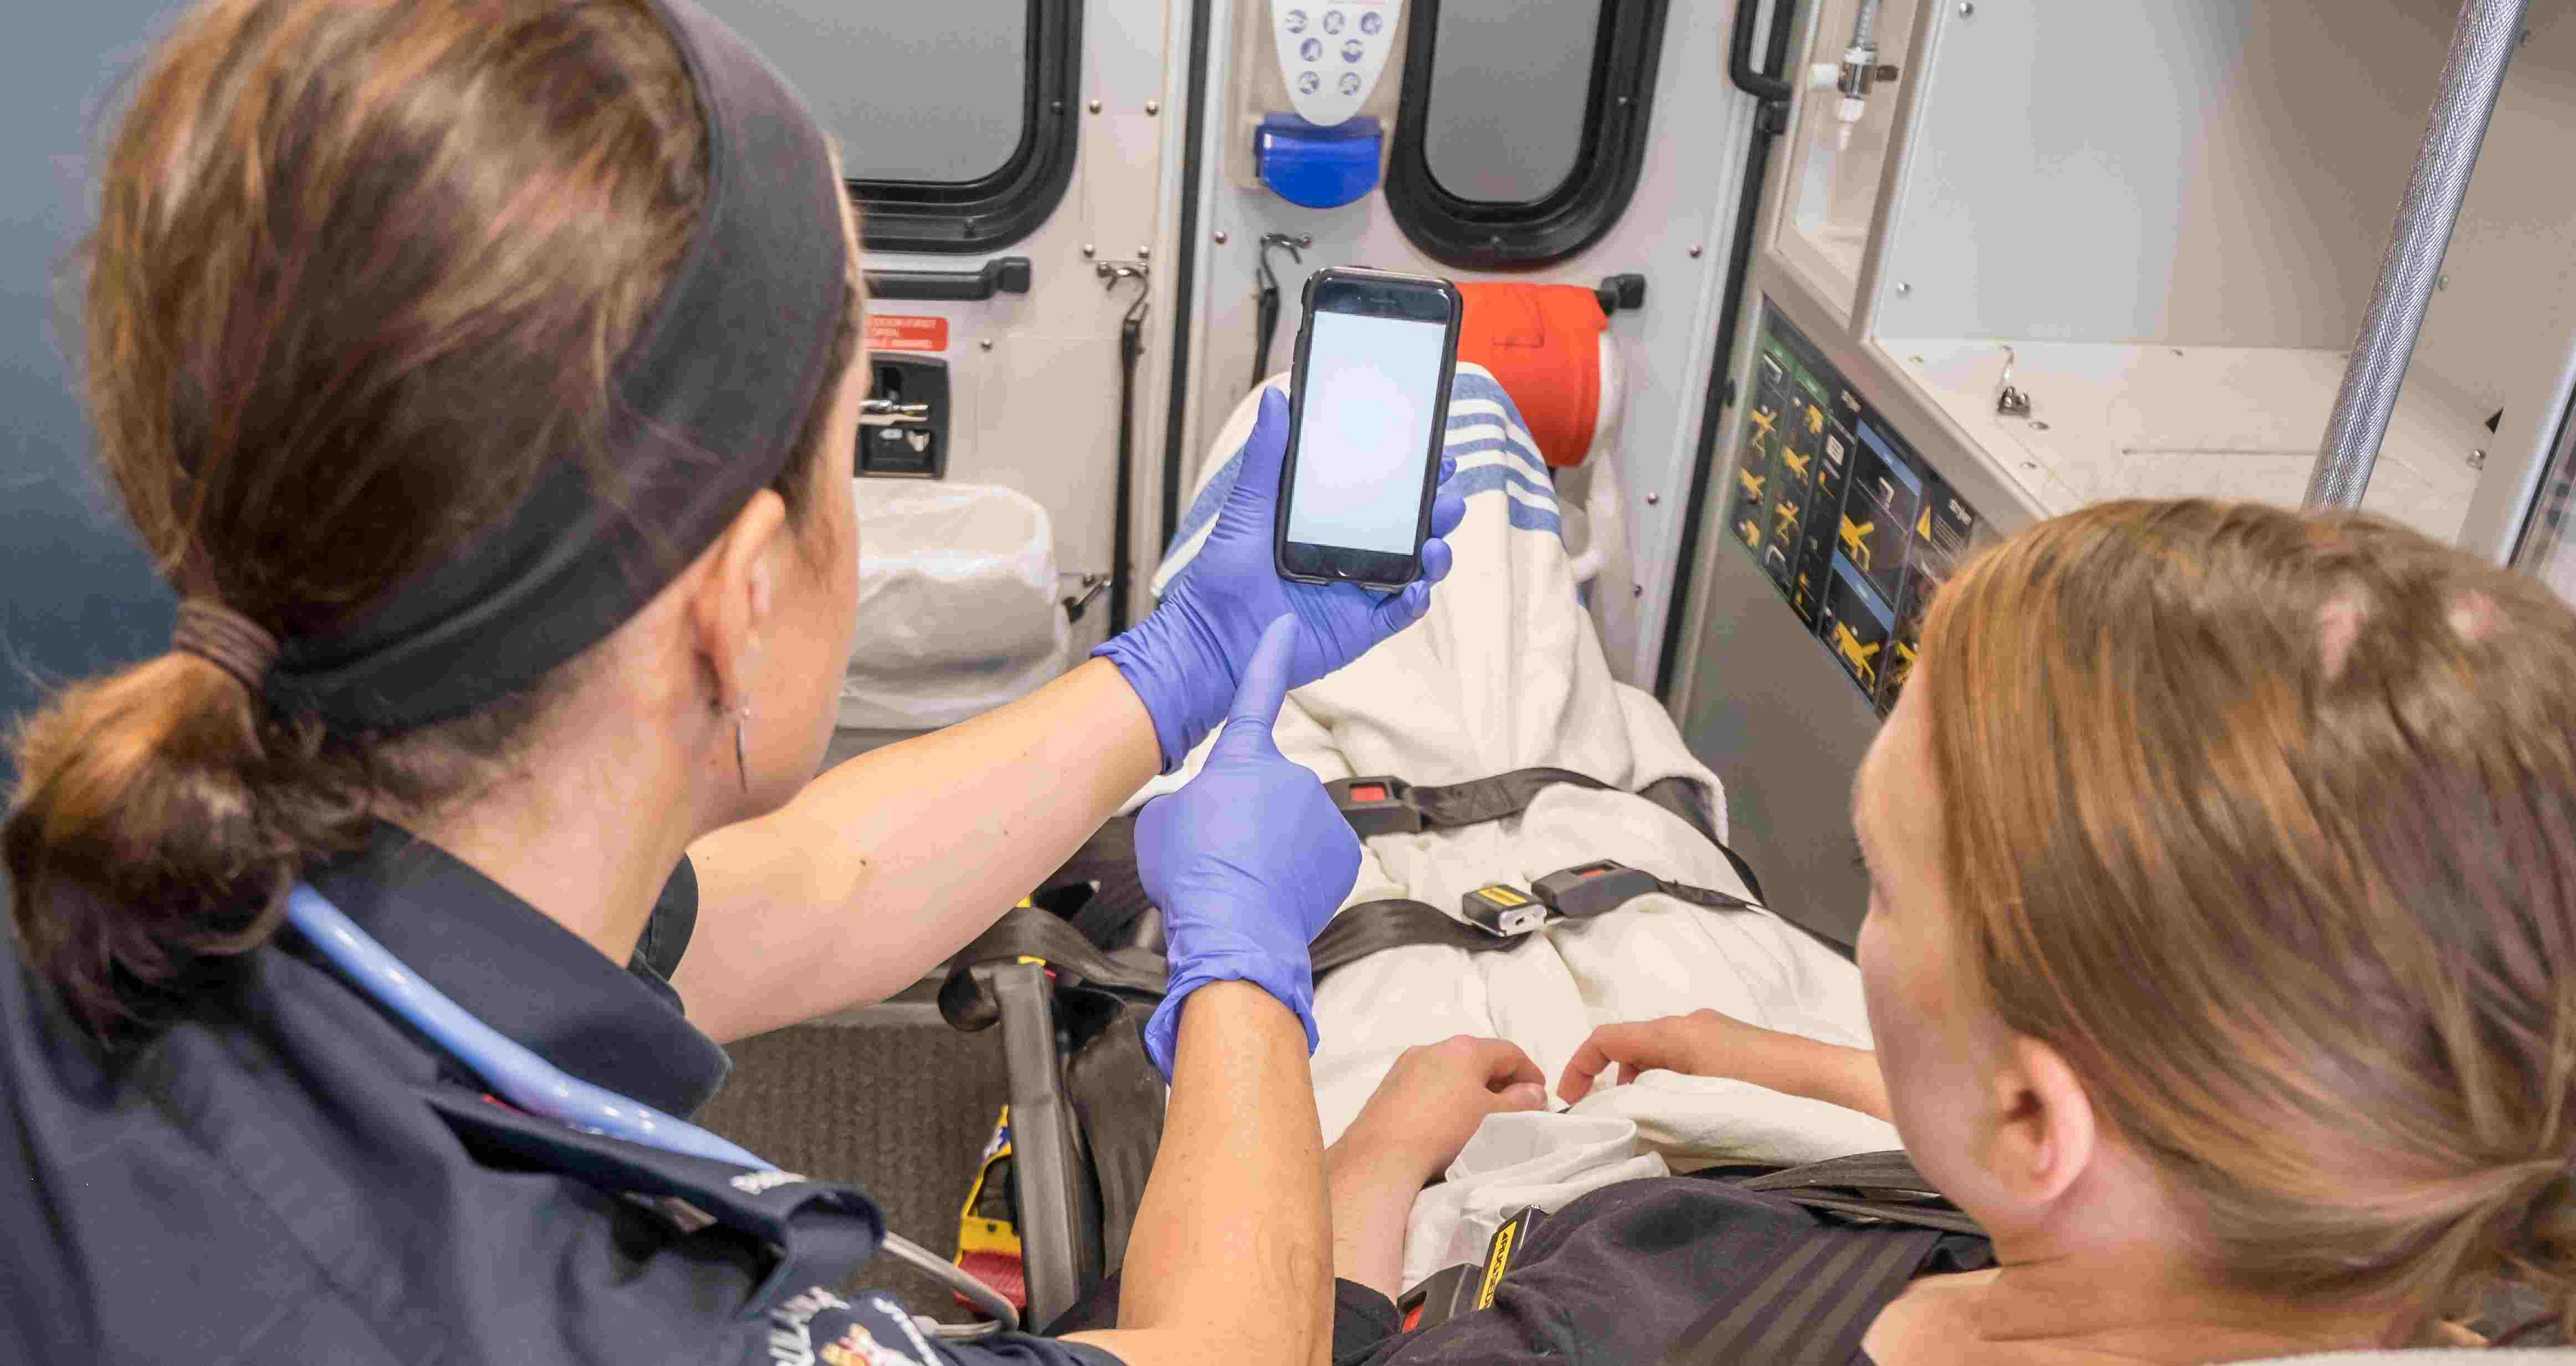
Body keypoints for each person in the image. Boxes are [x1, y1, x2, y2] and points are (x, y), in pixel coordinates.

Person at [0, 2, 1460, 1363]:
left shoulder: (194, 873)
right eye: (848, 448)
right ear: (744, 598)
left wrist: (1176, 669)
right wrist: (1246, 966)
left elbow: (812, 889)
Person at [1319, 499, 2576, 1362]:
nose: (1865, 920)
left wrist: (1373, 1159)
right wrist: (1791, 1063)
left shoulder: (1618, 1335)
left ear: (2029, 1119)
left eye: (1880, 883)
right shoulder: (2373, 1248)